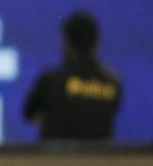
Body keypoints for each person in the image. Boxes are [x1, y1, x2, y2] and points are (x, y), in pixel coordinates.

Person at [23, 11, 122, 142]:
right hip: (98, 161)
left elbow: (29, 115)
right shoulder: (113, 84)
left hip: (55, 160)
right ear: (97, 42)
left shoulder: (51, 80)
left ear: (67, 41)